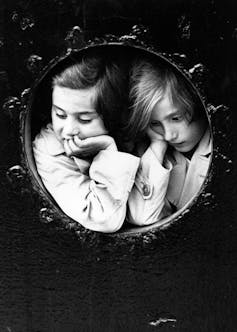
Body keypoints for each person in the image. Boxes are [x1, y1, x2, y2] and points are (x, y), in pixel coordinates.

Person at [33, 53, 140, 233]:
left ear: (112, 117)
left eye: (84, 120)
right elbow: (104, 220)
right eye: (60, 115)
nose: (67, 130)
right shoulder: (49, 149)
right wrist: (109, 152)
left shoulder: (132, 132)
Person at [127, 59, 212, 226]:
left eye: (176, 118)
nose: (168, 135)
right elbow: (143, 217)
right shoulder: (155, 157)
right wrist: (157, 146)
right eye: (155, 123)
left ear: (198, 105)